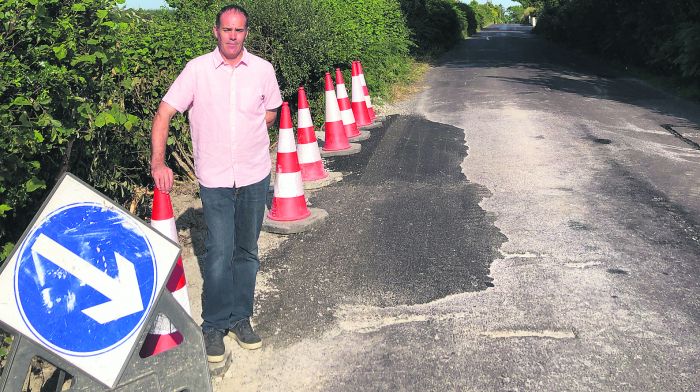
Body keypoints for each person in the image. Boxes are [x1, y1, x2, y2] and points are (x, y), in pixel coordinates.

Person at [150, 4, 282, 363]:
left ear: (247, 34)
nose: (233, 36)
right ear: (216, 31)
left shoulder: (263, 71)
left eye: (239, 30)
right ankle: (213, 325)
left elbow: (270, 113)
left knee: (247, 251)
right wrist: (158, 162)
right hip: (215, 177)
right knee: (221, 251)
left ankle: (240, 318)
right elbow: (164, 112)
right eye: (227, 29)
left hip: (254, 175)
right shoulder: (196, 71)